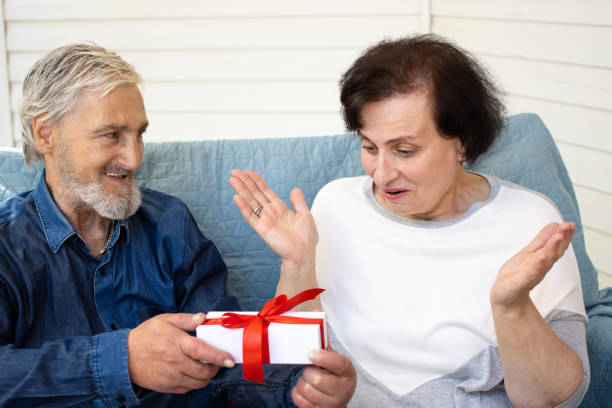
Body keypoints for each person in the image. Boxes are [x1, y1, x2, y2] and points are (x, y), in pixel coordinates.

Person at [230, 34, 589, 407]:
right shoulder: (335, 203)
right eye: (369, 147)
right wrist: (298, 263)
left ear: (462, 142)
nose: (381, 174)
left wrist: (512, 308)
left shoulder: (530, 222)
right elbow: (287, 367)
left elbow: (560, 399)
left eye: (404, 151)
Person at [0, 43, 355, 407]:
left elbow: (223, 363)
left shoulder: (169, 223)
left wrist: (296, 393)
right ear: (45, 134)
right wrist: (121, 360)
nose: (134, 158)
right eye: (112, 135)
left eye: (139, 134)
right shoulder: (7, 246)